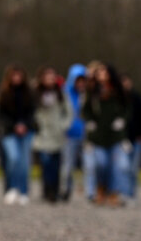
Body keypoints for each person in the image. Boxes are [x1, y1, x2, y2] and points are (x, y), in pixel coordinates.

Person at [82, 63, 130, 206]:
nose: (102, 75)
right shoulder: (93, 91)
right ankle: (101, 188)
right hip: (98, 136)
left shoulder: (119, 90)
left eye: (104, 72)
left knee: (118, 166)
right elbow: (86, 110)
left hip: (115, 135)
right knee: (100, 164)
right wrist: (90, 121)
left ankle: (114, 193)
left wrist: (122, 119)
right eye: (99, 72)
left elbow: (127, 108)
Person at [0, 64, 35, 206]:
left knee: (24, 163)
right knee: (13, 158)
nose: (17, 78)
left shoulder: (29, 93)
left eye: (19, 75)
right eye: (14, 75)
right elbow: (0, 114)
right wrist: (14, 126)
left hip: (27, 131)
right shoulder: (2, 93)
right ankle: (11, 188)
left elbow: (32, 112)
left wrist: (25, 125)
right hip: (8, 132)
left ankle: (23, 191)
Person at [33, 67, 73, 203]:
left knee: (56, 165)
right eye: (47, 77)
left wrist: (64, 125)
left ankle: (55, 191)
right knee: (46, 163)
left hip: (58, 135)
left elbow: (69, 112)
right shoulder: (36, 94)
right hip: (43, 134)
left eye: (52, 77)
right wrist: (36, 124)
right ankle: (47, 189)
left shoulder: (61, 94)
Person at [60, 64, 87, 201]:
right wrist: (64, 127)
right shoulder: (64, 93)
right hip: (69, 135)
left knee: (88, 165)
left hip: (86, 135)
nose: (81, 83)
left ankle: (90, 191)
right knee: (67, 165)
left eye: (83, 80)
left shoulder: (87, 94)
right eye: (78, 80)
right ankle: (65, 190)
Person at [122, 74, 141, 205]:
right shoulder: (118, 99)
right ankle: (123, 192)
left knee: (133, 169)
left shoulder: (138, 99)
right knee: (123, 168)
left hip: (136, 139)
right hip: (122, 140)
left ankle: (132, 193)